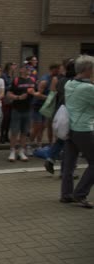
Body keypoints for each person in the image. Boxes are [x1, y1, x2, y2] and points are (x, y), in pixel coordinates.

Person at [60, 55, 94, 209]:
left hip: (70, 128)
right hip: (83, 129)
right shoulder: (88, 88)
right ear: (88, 69)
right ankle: (80, 194)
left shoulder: (70, 83)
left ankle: (66, 195)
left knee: (69, 163)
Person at [44, 59, 76, 175]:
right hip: (71, 114)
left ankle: (51, 159)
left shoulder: (61, 81)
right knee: (70, 143)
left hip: (60, 112)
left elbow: (53, 95)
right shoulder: (75, 82)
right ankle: (66, 171)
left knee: (63, 140)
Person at [27, 63, 60, 155]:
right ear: (53, 70)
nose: (59, 71)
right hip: (38, 105)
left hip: (47, 107)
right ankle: (29, 145)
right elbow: (38, 95)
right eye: (57, 69)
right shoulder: (45, 80)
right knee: (37, 126)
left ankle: (39, 145)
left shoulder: (56, 79)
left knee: (43, 127)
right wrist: (50, 98)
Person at [7, 64, 36, 162]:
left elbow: (36, 92)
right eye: (26, 68)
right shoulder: (16, 80)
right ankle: (12, 151)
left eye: (30, 68)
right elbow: (9, 94)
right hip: (17, 109)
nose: (29, 70)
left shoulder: (32, 80)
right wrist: (18, 97)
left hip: (28, 109)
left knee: (24, 132)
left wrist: (34, 94)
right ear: (21, 70)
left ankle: (21, 151)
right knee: (15, 131)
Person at [0, 62, 18, 144]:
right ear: (9, 66)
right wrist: (12, 86)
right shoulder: (4, 76)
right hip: (5, 98)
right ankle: (2, 136)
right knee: (5, 117)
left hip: (12, 98)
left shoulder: (13, 76)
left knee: (10, 118)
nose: (15, 67)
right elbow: (4, 87)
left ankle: (7, 135)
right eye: (14, 65)